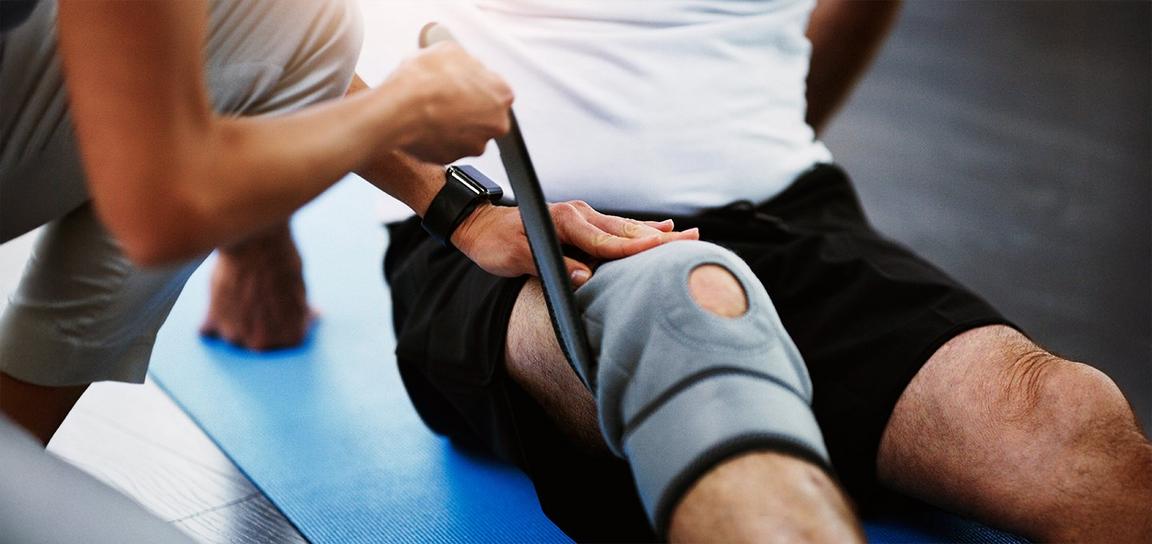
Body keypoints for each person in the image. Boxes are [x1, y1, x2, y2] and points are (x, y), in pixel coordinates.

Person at [213, 1, 1152, 542]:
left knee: (1066, 427)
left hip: (786, 209)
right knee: (687, 310)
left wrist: (732, 154)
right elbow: (250, 20)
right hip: (502, 225)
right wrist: (253, 226)